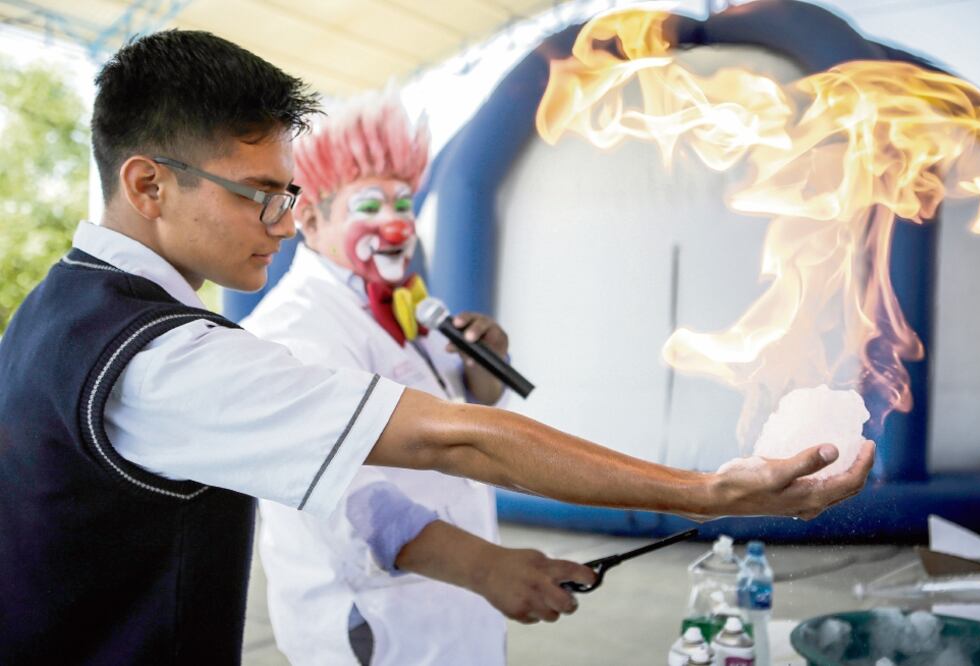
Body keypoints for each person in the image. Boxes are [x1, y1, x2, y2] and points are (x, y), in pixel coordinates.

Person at [0, 29, 874, 664]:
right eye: (261, 195)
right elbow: (439, 441)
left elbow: (457, 417)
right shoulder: (176, 356)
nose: (280, 220)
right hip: (377, 628)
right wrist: (711, 492)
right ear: (148, 183)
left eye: (288, 192)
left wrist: (467, 371)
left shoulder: (62, 305)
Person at [241, 90, 568, 665]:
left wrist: (479, 363)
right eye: (369, 207)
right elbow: (341, 491)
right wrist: (486, 567)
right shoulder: (296, 328)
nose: (396, 226)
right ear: (312, 218)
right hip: (378, 619)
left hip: (454, 611)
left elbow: (468, 405)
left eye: (404, 204)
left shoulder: (407, 308)